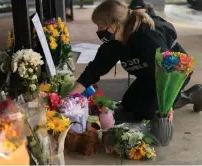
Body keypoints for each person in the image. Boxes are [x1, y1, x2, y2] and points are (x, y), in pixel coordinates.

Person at [69, 0, 202, 122]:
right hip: (149, 76)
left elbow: (171, 71)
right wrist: (68, 98)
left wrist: (169, 105)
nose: (98, 31)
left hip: (174, 74)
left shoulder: (148, 39)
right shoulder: (113, 45)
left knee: (150, 112)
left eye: (100, 26)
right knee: (128, 106)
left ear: (114, 25)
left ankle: (192, 95)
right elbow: (92, 72)